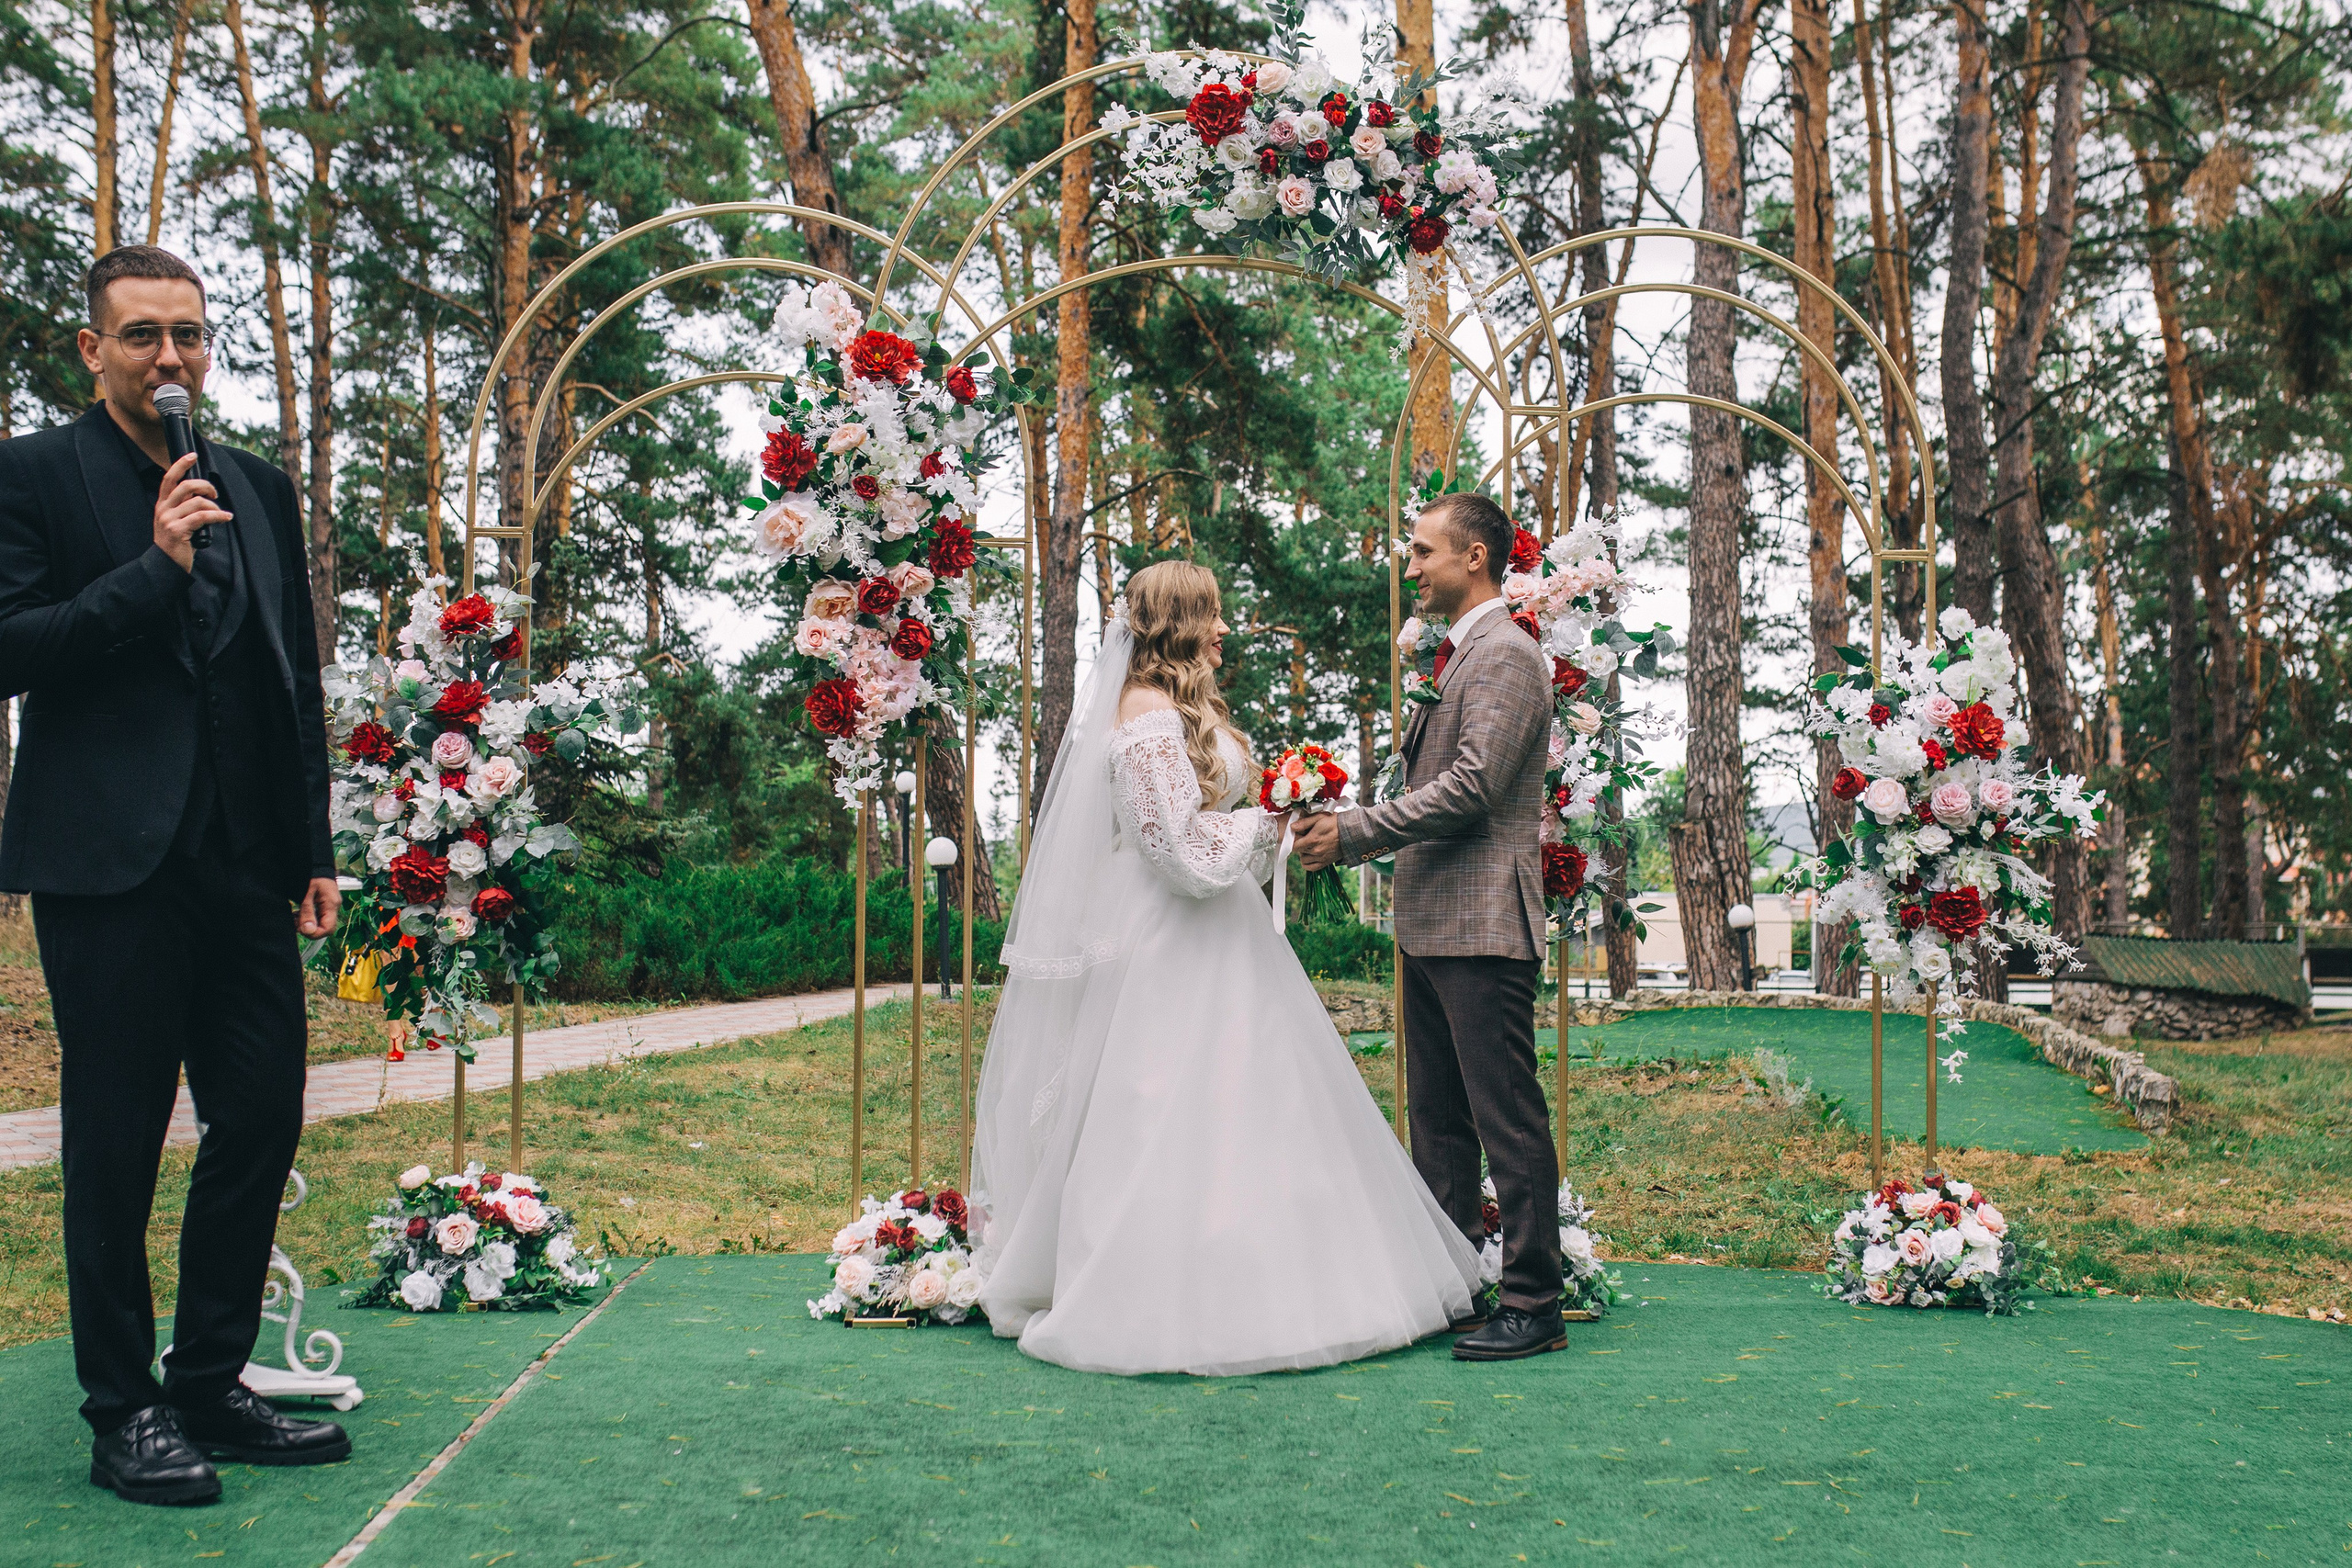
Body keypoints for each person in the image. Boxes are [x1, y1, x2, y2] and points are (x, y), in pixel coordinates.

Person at [0, 245, 350, 1505]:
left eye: (190, 334)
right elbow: (11, 645)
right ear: (91, 348)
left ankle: (210, 1377)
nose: (171, 357)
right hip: (109, 867)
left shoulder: (253, 483)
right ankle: (122, 1407)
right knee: (116, 1144)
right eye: (143, 335)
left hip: (245, 863)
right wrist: (150, 573)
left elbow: (288, 676)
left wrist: (312, 846)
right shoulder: (34, 473)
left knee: (258, 1115)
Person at [971, 559, 1480, 1375]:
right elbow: (1175, 848)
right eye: (1211, 616)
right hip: (1168, 937)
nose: (1223, 630)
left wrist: (1264, 817)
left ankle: (1277, 1270)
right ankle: (1157, 1287)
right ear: (1177, 623)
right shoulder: (1141, 713)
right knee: (1164, 1099)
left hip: (1223, 936)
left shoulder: (1182, 708)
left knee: (1256, 1096)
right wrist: (1269, 823)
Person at [1292, 492, 1565, 1360]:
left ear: (1474, 557)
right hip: (1436, 921)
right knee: (1439, 1123)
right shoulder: (1459, 655)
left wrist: (1360, 829)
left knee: (1505, 1117)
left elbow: (1477, 785)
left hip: (1485, 923)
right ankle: (1449, 1286)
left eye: (1421, 552)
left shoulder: (1508, 656)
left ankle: (1533, 1301)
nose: (1409, 567)